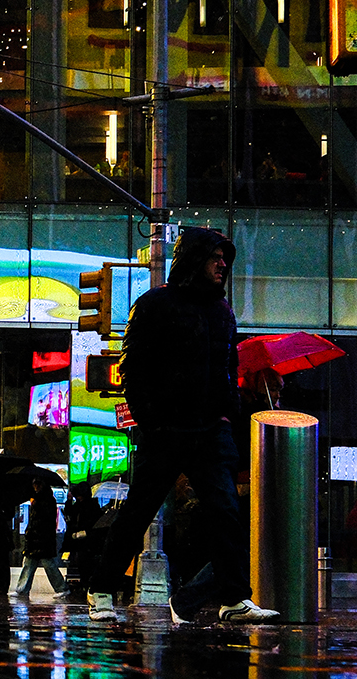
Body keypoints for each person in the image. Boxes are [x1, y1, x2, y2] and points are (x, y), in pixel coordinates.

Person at [89, 226, 280, 624]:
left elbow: (229, 367)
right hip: (168, 429)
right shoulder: (155, 305)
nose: (222, 265)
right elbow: (132, 369)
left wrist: (226, 416)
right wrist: (152, 422)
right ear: (195, 261)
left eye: (224, 260)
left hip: (210, 429)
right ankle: (102, 589)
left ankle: (233, 600)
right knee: (138, 511)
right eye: (215, 258)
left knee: (225, 510)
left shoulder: (222, 311)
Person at [12, 476, 68, 600]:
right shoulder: (42, 499)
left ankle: (61, 588)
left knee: (45, 564)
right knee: (31, 564)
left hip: (42, 538)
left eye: (38, 485)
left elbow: (44, 519)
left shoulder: (46, 500)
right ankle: (23, 589)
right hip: (38, 539)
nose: (36, 487)